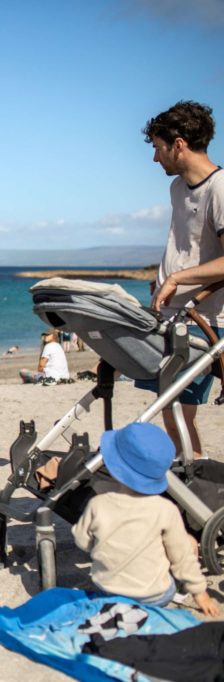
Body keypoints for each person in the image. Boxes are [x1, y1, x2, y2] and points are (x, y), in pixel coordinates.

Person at [144, 101, 224, 460]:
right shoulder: (177, 188)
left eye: (158, 148)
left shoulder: (219, 188)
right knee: (171, 411)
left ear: (178, 144)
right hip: (172, 316)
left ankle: (197, 485)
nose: (155, 159)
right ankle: (190, 482)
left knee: (178, 410)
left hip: (204, 318)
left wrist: (177, 277)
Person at [72, 422, 219, 616]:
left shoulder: (98, 505)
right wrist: (201, 594)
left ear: (115, 469)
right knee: (187, 542)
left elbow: (82, 541)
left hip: (108, 591)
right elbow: (181, 557)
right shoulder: (165, 509)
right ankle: (179, 593)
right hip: (155, 597)